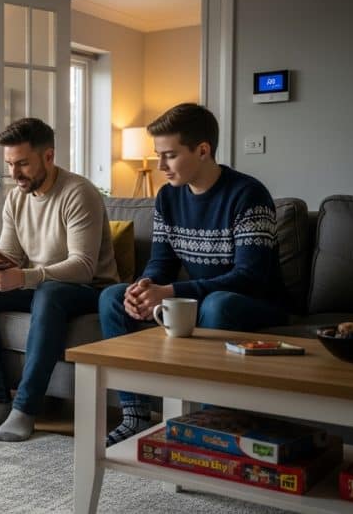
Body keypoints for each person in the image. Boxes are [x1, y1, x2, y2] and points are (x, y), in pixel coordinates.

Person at [98, 103, 288, 446]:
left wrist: (170, 292)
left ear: (202, 150)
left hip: (256, 303)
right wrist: (145, 286)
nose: (160, 166)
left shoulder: (248, 194)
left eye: (169, 156)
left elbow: (250, 276)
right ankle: (135, 416)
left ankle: (210, 426)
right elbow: (161, 263)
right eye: (158, 155)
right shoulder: (168, 197)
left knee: (218, 304)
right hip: (200, 299)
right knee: (113, 296)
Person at [0, 117, 118, 442]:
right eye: (9, 164)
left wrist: (25, 277)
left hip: (89, 289)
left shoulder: (78, 193)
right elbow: (11, 256)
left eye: (23, 164)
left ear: (48, 156)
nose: (14, 174)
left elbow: (83, 266)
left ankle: (26, 408)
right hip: (42, 285)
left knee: (49, 293)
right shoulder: (16, 198)